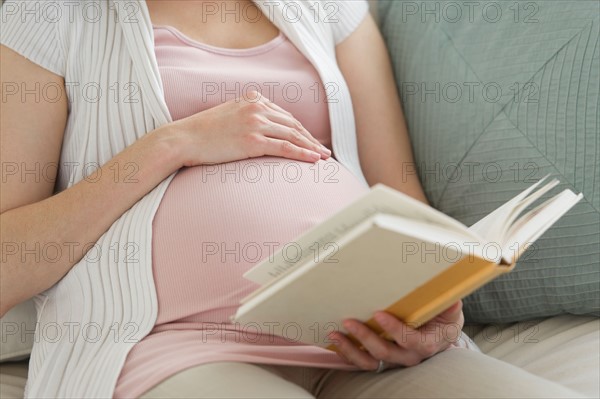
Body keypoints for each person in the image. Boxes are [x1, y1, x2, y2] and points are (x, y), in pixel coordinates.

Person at [0, 0, 587, 398]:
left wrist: (432, 303)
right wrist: (173, 144)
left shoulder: (329, 5)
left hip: (362, 339)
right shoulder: (48, 17)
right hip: (173, 348)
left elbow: (400, 197)